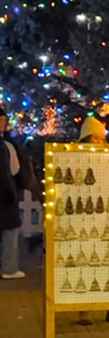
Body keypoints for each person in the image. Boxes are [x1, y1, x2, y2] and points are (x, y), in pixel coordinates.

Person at [1, 108, 41, 280]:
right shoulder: (6, 146)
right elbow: (14, 169)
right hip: (5, 193)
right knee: (9, 231)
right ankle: (9, 267)